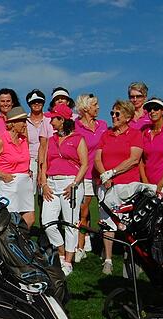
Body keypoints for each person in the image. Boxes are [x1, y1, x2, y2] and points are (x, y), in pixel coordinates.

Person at [95, 100, 147, 275]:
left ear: (127, 116)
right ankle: (108, 259)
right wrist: (104, 175)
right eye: (112, 113)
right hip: (107, 185)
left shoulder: (135, 134)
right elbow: (97, 159)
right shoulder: (106, 135)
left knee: (128, 222)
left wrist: (112, 172)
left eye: (117, 114)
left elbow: (134, 159)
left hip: (127, 185)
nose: (113, 117)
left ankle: (131, 256)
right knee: (107, 222)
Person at [38, 104, 88, 276]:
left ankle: (68, 261)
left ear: (63, 120)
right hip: (51, 183)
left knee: (70, 224)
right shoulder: (51, 140)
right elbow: (44, 164)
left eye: (54, 118)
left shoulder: (78, 138)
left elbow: (84, 164)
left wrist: (74, 183)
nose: (51, 121)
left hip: (70, 184)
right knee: (47, 222)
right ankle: (60, 251)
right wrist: (44, 184)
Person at [0, 106, 35, 226]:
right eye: (22, 121)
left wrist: (27, 171)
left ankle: (20, 241)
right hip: (8, 183)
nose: (25, 124)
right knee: (11, 219)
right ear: (12, 123)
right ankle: (8, 243)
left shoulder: (23, 139)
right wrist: (3, 175)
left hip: (25, 183)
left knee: (30, 218)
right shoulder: (2, 140)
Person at [73, 93, 108, 262]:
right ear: (86, 108)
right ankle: (80, 247)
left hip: (101, 174)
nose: (98, 107)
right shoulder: (76, 126)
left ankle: (104, 246)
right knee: (84, 212)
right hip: (86, 175)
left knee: (105, 212)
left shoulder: (103, 125)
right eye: (95, 105)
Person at [0, 89, 21, 189]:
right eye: (2, 101)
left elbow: (24, 144)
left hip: (17, 167)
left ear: (13, 102)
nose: (5, 104)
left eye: (8, 101)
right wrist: (1, 166)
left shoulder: (20, 121)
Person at [25, 89, 54, 189]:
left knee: (45, 190)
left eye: (39, 101)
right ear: (29, 104)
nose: (36, 104)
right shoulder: (24, 121)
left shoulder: (50, 120)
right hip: (30, 160)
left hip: (47, 159)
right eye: (33, 102)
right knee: (29, 191)